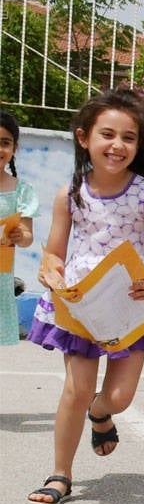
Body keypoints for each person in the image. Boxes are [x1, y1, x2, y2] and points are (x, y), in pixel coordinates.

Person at [26, 90, 144, 504]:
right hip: (81, 304)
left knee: (119, 397)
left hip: (131, 304)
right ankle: (61, 474)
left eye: (129, 137)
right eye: (107, 134)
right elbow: (54, 251)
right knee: (77, 387)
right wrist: (49, 269)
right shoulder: (69, 193)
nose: (118, 145)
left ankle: (101, 413)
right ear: (83, 137)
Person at [1, 111, 38, 345]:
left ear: (14, 147)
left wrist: (19, 235)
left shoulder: (21, 190)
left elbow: (27, 237)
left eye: (4, 143)